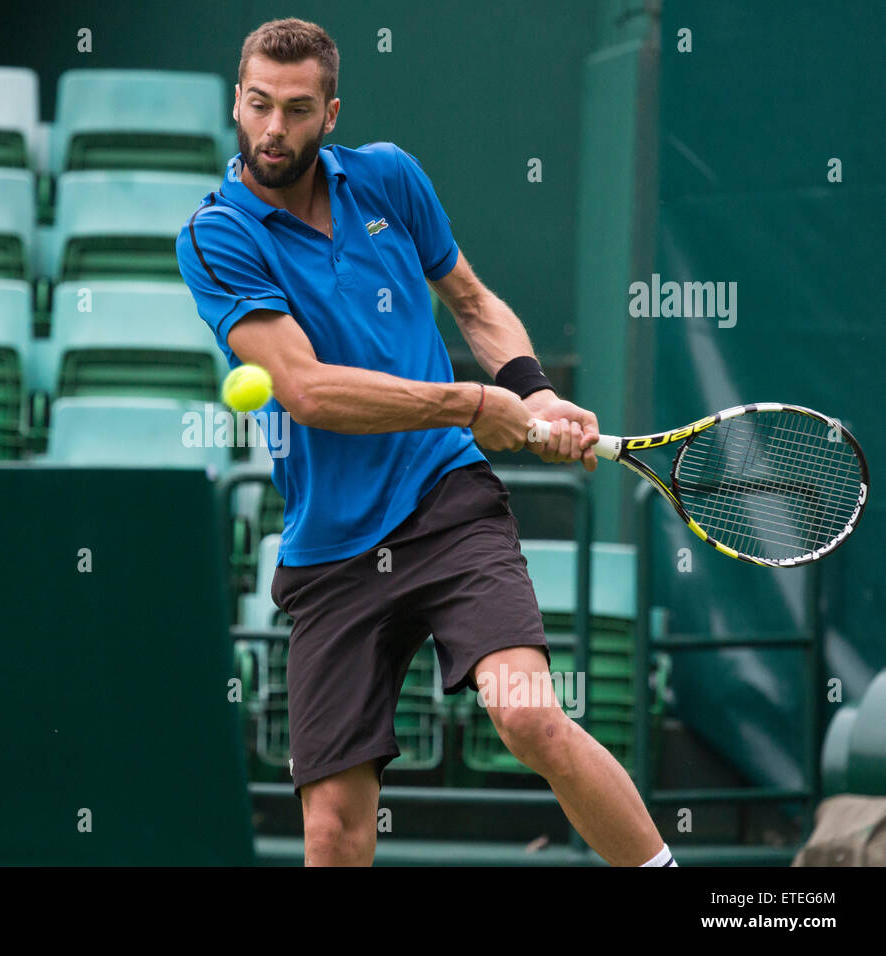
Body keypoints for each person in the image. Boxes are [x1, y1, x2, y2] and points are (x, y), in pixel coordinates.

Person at [177, 17, 676, 868]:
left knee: (527, 713)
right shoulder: (217, 235)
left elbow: (474, 305)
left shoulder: (390, 179)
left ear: (330, 112)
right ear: (237, 100)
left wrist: (536, 393)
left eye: (297, 110)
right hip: (332, 548)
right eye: (258, 104)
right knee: (333, 830)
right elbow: (305, 389)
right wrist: (471, 402)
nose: (273, 129)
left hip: (447, 506)